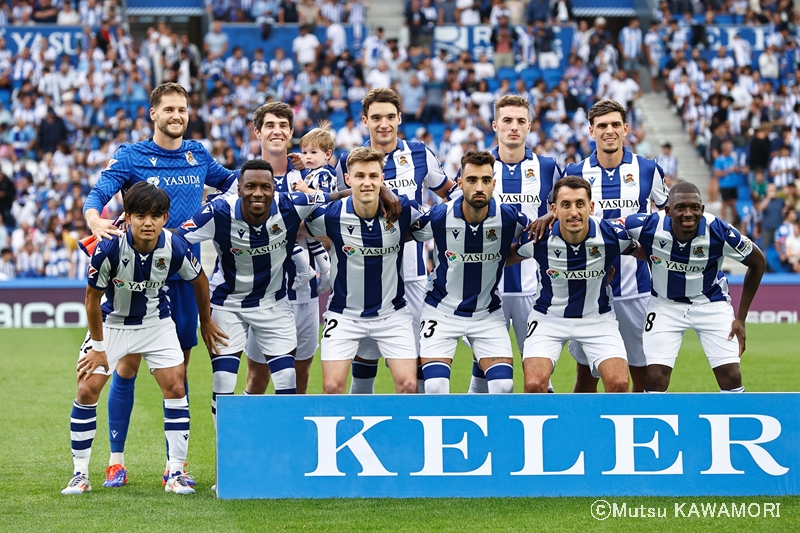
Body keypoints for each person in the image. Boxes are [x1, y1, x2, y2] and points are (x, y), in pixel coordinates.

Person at [81, 82, 234, 487]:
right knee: (126, 366)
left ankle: (173, 467)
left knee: (178, 373)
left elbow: (236, 184)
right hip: (138, 277)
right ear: (154, 114)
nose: (177, 115)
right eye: (169, 109)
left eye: (182, 109)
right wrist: (94, 218)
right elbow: (98, 192)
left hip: (182, 274)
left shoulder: (197, 154)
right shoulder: (131, 155)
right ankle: (116, 462)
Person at [61, 182, 224, 495]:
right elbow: (91, 299)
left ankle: (175, 473)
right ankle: (80, 475)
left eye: (155, 216)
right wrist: (98, 348)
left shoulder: (176, 246)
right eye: (140, 216)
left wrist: (206, 321)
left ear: (165, 218)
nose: (147, 223)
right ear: (128, 217)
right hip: (112, 324)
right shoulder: (109, 247)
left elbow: (199, 280)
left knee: (176, 385)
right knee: (86, 388)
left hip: (155, 323)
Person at [179, 159, 346, 424]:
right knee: (223, 380)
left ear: (273, 189)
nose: (258, 193)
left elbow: (335, 196)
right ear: (239, 189)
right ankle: (227, 447)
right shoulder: (217, 212)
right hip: (227, 305)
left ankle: (284, 443)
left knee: (287, 379)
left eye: (265, 187)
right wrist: (204, 312)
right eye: (250, 187)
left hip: (273, 304)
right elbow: (177, 240)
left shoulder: (292, 204)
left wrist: (381, 191)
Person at [334, 88, 457, 394]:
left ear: (400, 118)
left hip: (412, 275)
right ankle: (361, 419)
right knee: (364, 362)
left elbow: (452, 194)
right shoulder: (350, 160)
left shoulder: (420, 153)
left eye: (390, 117)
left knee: (416, 362)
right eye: (376, 117)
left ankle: (419, 421)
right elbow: (334, 206)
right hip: (363, 279)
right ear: (365, 120)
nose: (384, 124)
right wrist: (383, 191)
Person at [565, 99, 668, 393]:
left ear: (626, 129)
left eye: (614, 125)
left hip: (637, 288)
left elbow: (667, 218)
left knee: (642, 372)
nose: (608, 131)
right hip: (588, 289)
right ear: (591, 131)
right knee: (586, 376)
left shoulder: (647, 169)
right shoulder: (575, 172)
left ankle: (635, 422)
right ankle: (585, 424)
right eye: (601, 126)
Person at [624, 182, 766, 392]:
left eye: (694, 207)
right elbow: (607, 234)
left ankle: (735, 414)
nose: (688, 214)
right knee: (654, 378)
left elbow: (758, 262)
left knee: (732, 376)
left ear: (702, 208)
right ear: (668, 210)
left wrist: (741, 318)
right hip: (665, 304)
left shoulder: (720, 231)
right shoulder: (645, 225)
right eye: (680, 208)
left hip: (711, 303)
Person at [306, 147, 423, 394]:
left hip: (392, 314)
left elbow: (440, 226)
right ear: (348, 179)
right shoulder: (331, 216)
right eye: (360, 176)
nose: (367, 182)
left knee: (409, 386)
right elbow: (294, 222)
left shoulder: (404, 210)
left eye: (373, 176)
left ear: (382, 179)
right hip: (344, 315)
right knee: (332, 388)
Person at [411, 151, 529, 394]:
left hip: (487, 312)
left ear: (493, 183)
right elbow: (401, 235)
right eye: (472, 180)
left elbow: (539, 239)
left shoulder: (509, 217)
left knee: (504, 387)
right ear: (460, 183)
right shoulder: (439, 216)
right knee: (434, 387)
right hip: (441, 310)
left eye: (485, 180)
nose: (479, 187)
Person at [468, 95, 562, 394]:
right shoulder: (478, 167)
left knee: (538, 373)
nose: (514, 127)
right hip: (486, 286)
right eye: (507, 120)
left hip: (533, 286)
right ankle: (478, 423)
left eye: (521, 121)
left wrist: (551, 214)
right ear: (495, 125)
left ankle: (546, 423)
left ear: (529, 126)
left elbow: (567, 208)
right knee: (483, 369)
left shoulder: (547, 167)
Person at [509, 176, 635, 393]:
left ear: (591, 207)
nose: (574, 212)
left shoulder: (613, 236)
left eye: (580, 204)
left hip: (597, 317)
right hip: (548, 318)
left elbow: (648, 253)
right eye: (566, 205)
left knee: (619, 383)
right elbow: (502, 259)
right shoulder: (537, 238)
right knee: (534, 384)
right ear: (554, 210)